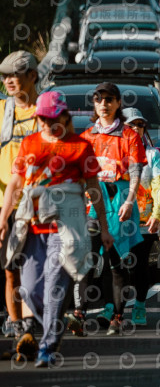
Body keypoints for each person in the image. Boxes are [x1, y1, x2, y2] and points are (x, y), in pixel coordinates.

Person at [0, 91, 113, 366]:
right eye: (43, 118)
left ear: (64, 117)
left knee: (54, 290)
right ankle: (47, 327)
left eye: (53, 118)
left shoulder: (81, 147)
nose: (48, 123)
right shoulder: (29, 144)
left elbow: (94, 188)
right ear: (38, 118)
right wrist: (3, 219)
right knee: (29, 289)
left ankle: (48, 348)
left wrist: (104, 227)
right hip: (33, 228)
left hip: (65, 230)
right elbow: (15, 184)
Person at [70, 83, 146, 337]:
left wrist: (130, 201)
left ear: (118, 103)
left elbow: (136, 171)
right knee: (88, 257)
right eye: (99, 99)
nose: (104, 104)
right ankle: (79, 313)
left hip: (120, 199)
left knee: (117, 261)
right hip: (94, 201)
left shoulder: (129, 135)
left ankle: (116, 317)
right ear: (94, 103)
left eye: (109, 99)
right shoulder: (87, 137)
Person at [0, 51, 40, 361]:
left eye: (15, 74)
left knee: (33, 269)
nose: (9, 81)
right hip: (5, 204)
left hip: (38, 203)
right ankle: (18, 329)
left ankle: (30, 326)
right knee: (10, 270)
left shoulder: (46, 111)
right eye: (5, 76)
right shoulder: (2, 110)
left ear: (33, 76)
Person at [122, 108, 160, 327]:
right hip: (119, 221)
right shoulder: (116, 153)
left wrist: (157, 215)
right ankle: (115, 311)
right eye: (131, 125)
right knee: (119, 267)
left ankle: (140, 305)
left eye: (140, 125)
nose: (136, 128)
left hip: (144, 222)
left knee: (140, 266)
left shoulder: (152, 155)